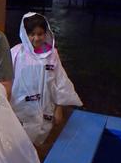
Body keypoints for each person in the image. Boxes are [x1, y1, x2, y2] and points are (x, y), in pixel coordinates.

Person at [10, 12, 82, 145]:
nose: (36, 38)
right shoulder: (15, 53)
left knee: (38, 140)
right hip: (20, 109)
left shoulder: (52, 55)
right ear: (25, 34)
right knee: (18, 144)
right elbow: (6, 79)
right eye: (32, 34)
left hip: (45, 108)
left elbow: (60, 81)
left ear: (46, 33)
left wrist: (59, 108)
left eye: (40, 34)